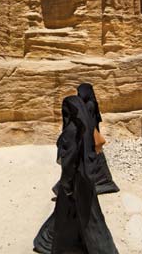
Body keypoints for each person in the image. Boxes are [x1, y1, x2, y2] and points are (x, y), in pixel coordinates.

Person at [33, 95, 119, 254]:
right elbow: (97, 146)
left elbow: (69, 163)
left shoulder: (71, 131)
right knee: (87, 217)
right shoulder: (84, 129)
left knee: (77, 217)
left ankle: (47, 243)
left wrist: (66, 185)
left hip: (74, 184)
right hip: (86, 181)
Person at [77, 83, 120, 195]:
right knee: (95, 160)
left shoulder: (88, 105)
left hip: (89, 137)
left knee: (89, 160)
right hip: (90, 136)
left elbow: (88, 122)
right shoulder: (90, 102)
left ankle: (102, 184)